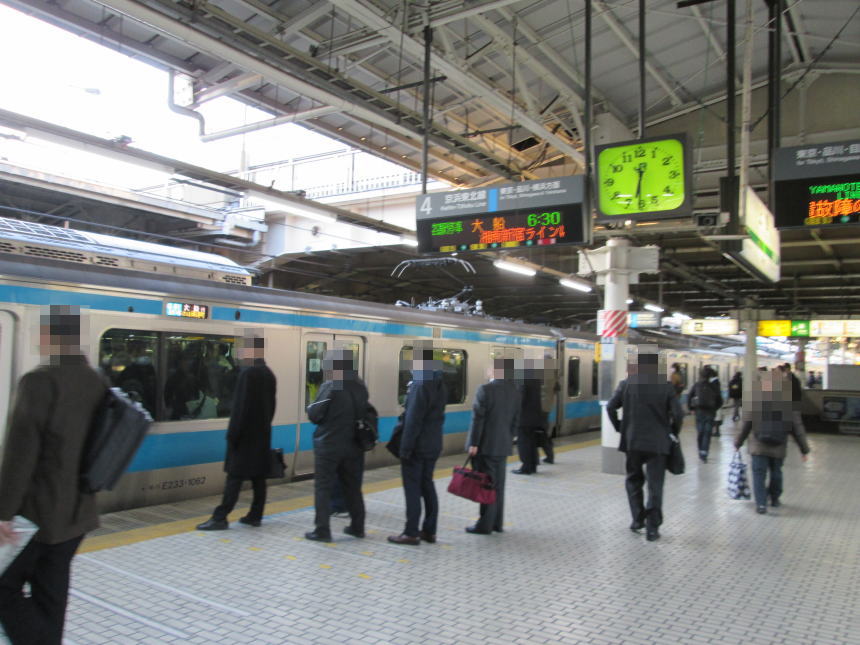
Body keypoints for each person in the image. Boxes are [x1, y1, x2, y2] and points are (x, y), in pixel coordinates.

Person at [0, 305, 106, 645]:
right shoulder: (95, 380)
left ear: (49, 337)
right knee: (51, 592)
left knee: (4, 586)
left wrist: (3, 514)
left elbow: (21, 455)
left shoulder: (40, 381)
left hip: (39, 515)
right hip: (79, 514)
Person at [196, 332, 276, 530]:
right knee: (258, 478)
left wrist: (233, 435)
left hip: (245, 437)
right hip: (262, 434)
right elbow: (272, 406)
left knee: (234, 477)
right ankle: (255, 515)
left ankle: (220, 517)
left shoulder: (248, 374)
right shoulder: (268, 373)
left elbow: (240, 408)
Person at [607, 351, 684, 542]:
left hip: (632, 442)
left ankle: (637, 519)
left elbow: (610, 407)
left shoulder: (627, 384)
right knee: (655, 486)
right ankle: (652, 528)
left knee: (633, 480)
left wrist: (620, 427)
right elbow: (679, 414)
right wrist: (673, 432)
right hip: (658, 444)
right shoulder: (665, 386)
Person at [305, 350, 368, 542]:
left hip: (329, 445)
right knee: (353, 487)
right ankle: (358, 527)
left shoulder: (331, 386)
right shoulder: (360, 386)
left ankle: (322, 530)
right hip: (354, 446)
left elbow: (314, 414)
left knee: (323, 487)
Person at [388, 350, 447, 545]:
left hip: (417, 447)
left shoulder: (420, 385)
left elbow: (413, 420)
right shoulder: (438, 383)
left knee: (412, 489)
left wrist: (405, 448)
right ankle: (429, 531)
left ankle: (411, 532)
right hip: (433, 443)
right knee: (427, 486)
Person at [734, 369, 810, 514]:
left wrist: (738, 442)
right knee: (776, 473)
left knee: (758, 474)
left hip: (758, 445)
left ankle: (761, 504)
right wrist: (804, 449)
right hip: (778, 446)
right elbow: (797, 428)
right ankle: (774, 499)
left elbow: (746, 424)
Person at [464, 359, 521, 535]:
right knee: (499, 485)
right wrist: (510, 438)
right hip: (503, 445)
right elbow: (516, 419)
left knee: (487, 485)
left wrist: (474, 443)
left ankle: (485, 525)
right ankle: (497, 523)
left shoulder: (485, 390)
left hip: (486, 445)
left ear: (495, 371)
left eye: (489, 368)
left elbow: (478, 419)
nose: (487, 370)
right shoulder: (515, 391)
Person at [513, 359, 547, 475]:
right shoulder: (535, 379)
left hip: (524, 417)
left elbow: (520, 397)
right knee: (532, 442)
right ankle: (533, 465)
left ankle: (526, 467)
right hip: (535, 415)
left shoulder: (521, 378)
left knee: (523, 442)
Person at [687, 366, 723, 463]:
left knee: (700, 432)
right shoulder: (714, 386)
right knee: (707, 433)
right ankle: (704, 452)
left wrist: (691, 408)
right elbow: (720, 401)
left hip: (699, 412)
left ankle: (700, 450)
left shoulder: (696, 385)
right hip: (710, 413)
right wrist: (714, 409)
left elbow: (689, 396)